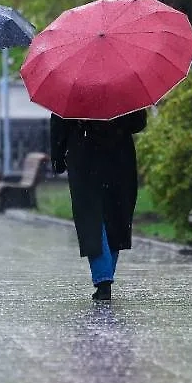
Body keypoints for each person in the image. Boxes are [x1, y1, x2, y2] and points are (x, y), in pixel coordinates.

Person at [49, 110, 148, 301]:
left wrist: (58, 157)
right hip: (119, 156)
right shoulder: (123, 91)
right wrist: (116, 121)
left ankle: (103, 279)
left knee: (91, 219)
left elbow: (59, 121)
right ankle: (105, 276)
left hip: (84, 155)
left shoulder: (74, 91)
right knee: (115, 216)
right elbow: (138, 123)